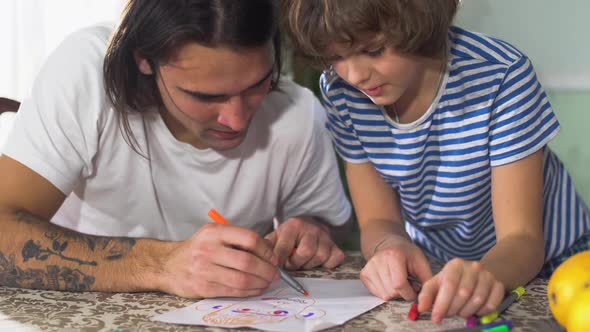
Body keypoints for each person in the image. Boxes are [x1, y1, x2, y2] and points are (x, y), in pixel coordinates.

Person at [0, 0, 352, 298]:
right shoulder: (87, 72)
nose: (236, 119)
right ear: (143, 60)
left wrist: (310, 233)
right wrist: (159, 265)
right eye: (205, 96)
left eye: (258, 85)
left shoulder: (297, 113)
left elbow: (325, 225)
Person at [280, 0, 590, 323]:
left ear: (418, 20)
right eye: (336, 56)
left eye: (374, 50)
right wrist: (390, 247)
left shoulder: (501, 76)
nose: (355, 75)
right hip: (443, 271)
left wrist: (483, 276)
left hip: (557, 266)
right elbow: (376, 220)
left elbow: (521, 239)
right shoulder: (340, 90)